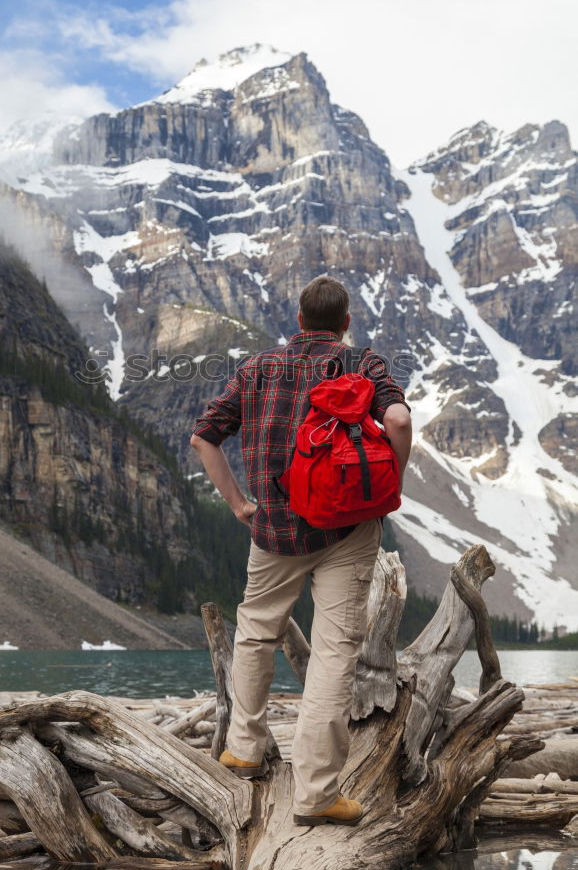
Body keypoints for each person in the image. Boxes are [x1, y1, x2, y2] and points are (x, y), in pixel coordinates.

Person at [189, 275, 412, 827]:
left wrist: (239, 503)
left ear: (297, 321)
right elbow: (400, 420)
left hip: (274, 530)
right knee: (335, 655)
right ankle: (315, 796)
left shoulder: (258, 368)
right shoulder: (364, 363)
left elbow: (204, 436)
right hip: (348, 531)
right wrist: (391, 484)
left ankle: (242, 747)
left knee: (257, 630)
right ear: (346, 322)